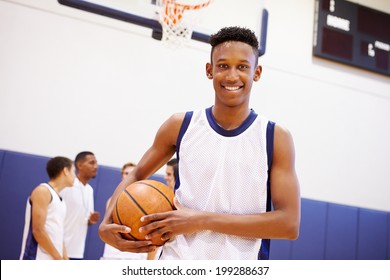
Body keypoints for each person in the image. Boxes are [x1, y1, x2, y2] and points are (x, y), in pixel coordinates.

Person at [99, 26, 301, 260]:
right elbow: (135, 175)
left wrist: (201, 220)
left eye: (243, 67)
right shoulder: (180, 125)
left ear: (257, 72)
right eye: (223, 66)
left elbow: (288, 224)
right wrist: (106, 223)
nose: (232, 76)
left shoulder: (275, 136)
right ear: (209, 70)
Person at [20, 156, 76, 260]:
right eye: (73, 171)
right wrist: (58, 258)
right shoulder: (43, 191)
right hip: (35, 258)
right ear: (65, 171)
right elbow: (38, 230)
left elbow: (59, 234)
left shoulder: (61, 201)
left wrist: (65, 258)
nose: (75, 176)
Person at [101, 162, 150, 260]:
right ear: (122, 176)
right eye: (126, 173)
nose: (128, 176)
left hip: (136, 253)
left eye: (131, 173)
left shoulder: (147, 200)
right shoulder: (112, 200)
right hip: (114, 253)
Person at [61, 151, 100, 260]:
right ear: (79, 165)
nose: (96, 166)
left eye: (96, 163)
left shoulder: (89, 190)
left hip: (77, 251)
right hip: (59, 249)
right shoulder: (67, 186)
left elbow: (85, 220)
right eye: (92, 163)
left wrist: (90, 220)